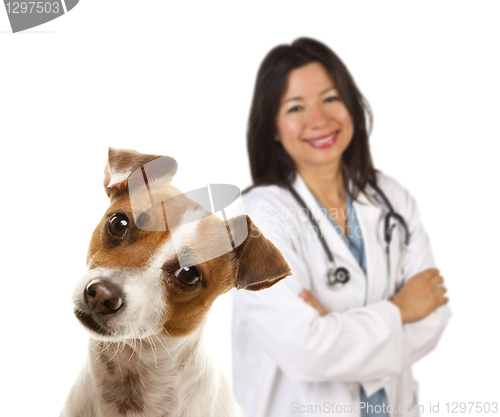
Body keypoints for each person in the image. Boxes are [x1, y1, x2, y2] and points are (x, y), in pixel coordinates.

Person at [231, 37, 451, 417]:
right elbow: (305, 350)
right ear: (272, 128)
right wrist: (398, 312)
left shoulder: (391, 198)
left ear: (351, 104)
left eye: (331, 98)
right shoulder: (258, 218)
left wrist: (335, 327)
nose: (319, 120)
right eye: (296, 107)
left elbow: (433, 315)